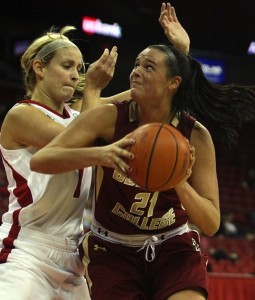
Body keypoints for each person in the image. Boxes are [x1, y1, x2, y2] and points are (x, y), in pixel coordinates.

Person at [30, 3, 255, 300]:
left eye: (148, 67)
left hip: (173, 247)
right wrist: (103, 154)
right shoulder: (109, 118)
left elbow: (211, 223)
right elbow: (41, 159)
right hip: (113, 249)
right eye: (136, 64)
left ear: (174, 83)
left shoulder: (195, 135)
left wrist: (177, 181)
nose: (135, 71)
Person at [0, 24, 132, 300]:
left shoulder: (79, 114)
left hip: (72, 257)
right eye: (67, 66)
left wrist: (175, 59)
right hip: (27, 251)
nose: (75, 75)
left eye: (80, 69)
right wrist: (94, 89)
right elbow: (76, 143)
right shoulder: (22, 115)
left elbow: (140, 99)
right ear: (40, 68)